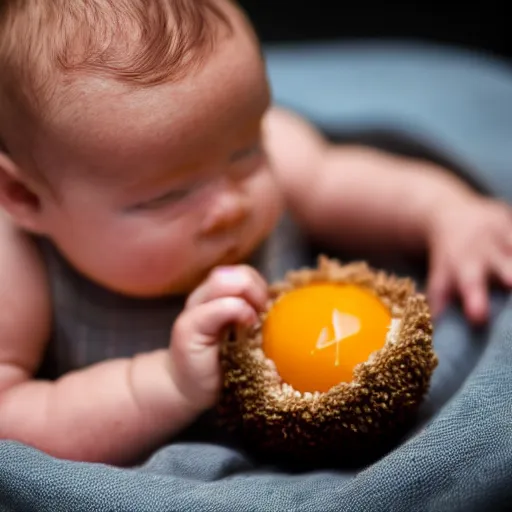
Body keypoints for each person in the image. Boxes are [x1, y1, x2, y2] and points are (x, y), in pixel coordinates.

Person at [0, 0, 511, 466]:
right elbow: (11, 418)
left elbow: (351, 180)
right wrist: (165, 385)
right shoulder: (19, 268)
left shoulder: (267, 152)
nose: (228, 206)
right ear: (26, 199)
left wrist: (445, 210)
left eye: (247, 153)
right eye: (165, 197)